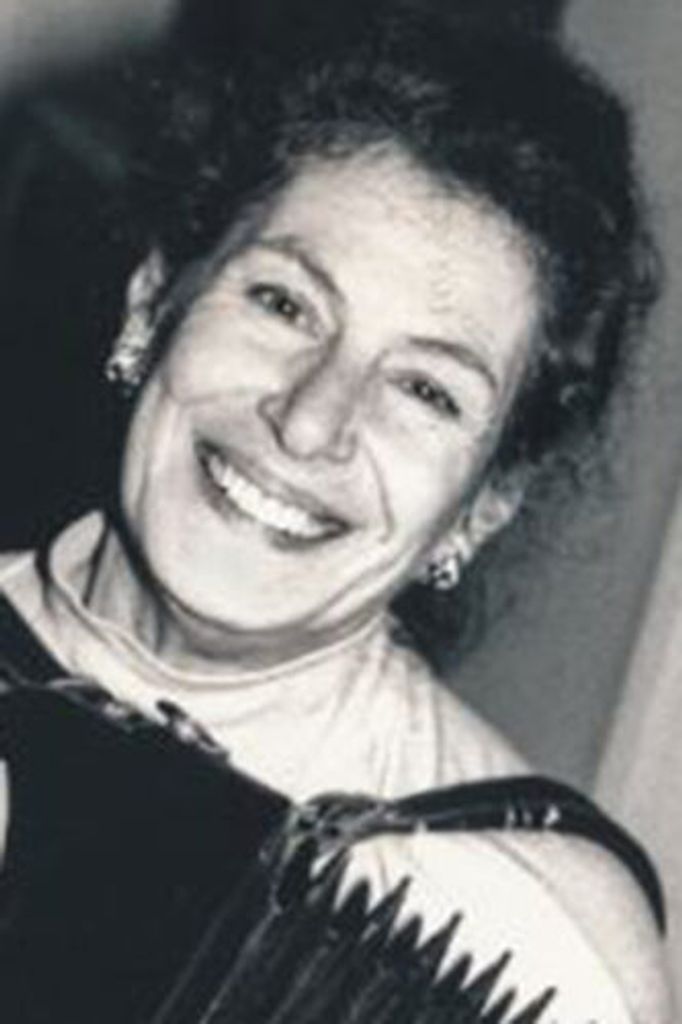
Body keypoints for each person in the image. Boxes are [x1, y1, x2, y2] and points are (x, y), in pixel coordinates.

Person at [0, 0, 672, 1020]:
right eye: (283, 303)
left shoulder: (535, 936)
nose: (311, 420)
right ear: (151, 303)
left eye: (426, 390)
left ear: (483, 507)